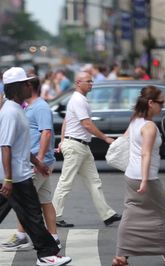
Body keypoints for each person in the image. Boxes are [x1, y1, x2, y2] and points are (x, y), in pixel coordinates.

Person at [0, 67, 71, 266]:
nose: (31, 86)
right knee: (32, 215)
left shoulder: (17, 109)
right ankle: (47, 253)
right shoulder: (11, 112)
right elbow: (6, 147)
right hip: (16, 176)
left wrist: (38, 163)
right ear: (17, 87)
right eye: (27, 83)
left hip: (14, 173)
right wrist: (9, 179)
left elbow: (19, 147)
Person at [112, 85, 165, 266]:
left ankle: (121, 256)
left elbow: (125, 140)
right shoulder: (149, 126)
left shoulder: (135, 120)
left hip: (130, 175)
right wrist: (144, 179)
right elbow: (146, 154)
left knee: (131, 213)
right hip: (146, 178)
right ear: (150, 103)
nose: (163, 106)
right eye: (160, 103)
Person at [52, 71, 121, 228]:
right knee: (66, 182)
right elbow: (87, 124)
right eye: (88, 81)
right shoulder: (78, 100)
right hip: (76, 146)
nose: (91, 84)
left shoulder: (78, 100)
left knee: (94, 182)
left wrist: (62, 141)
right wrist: (105, 138)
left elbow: (66, 122)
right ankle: (54, 215)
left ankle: (108, 214)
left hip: (81, 146)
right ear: (78, 83)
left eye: (91, 81)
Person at [0, 76, 61, 251]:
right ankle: (54, 236)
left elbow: (46, 133)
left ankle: (21, 236)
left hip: (38, 162)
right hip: (38, 161)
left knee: (25, 201)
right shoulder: (29, 107)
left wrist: (39, 161)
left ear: (29, 88)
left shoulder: (41, 107)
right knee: (45, 200)